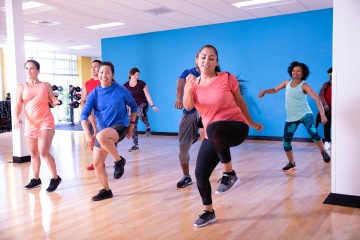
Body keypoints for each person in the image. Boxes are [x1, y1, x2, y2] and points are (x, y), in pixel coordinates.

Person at [183, 44, 263, 227]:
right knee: (200, 173)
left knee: (213, 128)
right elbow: (188, 107)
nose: (207, 61)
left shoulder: (226, 78)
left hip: (235, 127)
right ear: (197, 60)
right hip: (214, 134)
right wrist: (188, 88)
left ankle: (229, 173)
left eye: (212, 58)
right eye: (203, 57)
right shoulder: (193, 85)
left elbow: (240, 101)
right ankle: (208, 212)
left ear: (216, 62)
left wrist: (251, 123)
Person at [258, 61, 331, 172]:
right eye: (293, 70)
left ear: (303, 74)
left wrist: (322, 114)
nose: (295, 72)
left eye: (298, 71)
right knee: (286, 141)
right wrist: (265, 91)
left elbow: (317, 98)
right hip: (292, 117)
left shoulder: (304, 85)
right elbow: (274, 90)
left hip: (305, 114)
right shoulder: (287, 83)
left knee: (313, 132)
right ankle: (291, 163)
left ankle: (322, 151)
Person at [81, 61, 137, 201]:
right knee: (97, 164)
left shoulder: (120, 90)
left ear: (112, 75)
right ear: (97, 74)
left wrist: (131, 126)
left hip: (120, 126)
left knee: (100, 136)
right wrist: (88, 134)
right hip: (103, 130)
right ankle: (106, 190)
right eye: (101, 72)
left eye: (107, 72)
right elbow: (84, 115)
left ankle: (119, 161)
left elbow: (134, 106)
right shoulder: (94, 94)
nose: (104, 75)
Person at [14, 60, 62, 192]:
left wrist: (55, 101)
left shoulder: (45, 85)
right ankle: (35, 179)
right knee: (34, 154)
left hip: (46, 121)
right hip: (31, 124)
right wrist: (16, 117)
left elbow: (51, 101)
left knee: (43, 151)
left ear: (38, 70)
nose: (29, 71)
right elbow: (18, 105)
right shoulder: (21, 87)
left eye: (32, 68)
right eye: (27, 68)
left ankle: (55, 178)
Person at [174, 53, 202, 188]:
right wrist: (179, 98)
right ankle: (186, 176)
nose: (204, 60)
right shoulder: (188, 73)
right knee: (183, 146)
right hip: (190, 111)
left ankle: (225, 170)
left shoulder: (215, 74)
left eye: (209, 57)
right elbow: (180, 85)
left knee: (207, 137)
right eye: (201, 57)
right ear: (196, 60)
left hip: (207, 112)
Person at [124, 67, 158, 152]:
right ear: (131, 75)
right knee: (133, 126)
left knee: (139, 112)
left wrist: (153, 105)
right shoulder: (125, 86)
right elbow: (125, 99)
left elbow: (147, 95)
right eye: (135, 75)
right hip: (132, 107)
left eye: (138, 75)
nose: (136, 77)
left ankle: (148, 127)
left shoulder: (142, 84)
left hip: (143, 104)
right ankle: (135, 146)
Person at [80, 60, 105, 170]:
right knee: (92, 139)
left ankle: (100, 161)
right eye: (91, 67)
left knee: (102, 139)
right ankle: (97, 162)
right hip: (91, 116)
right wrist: (85, 116)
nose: (93, 69)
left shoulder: (105, 81)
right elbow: (83, 101)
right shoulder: (87, 84)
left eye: (95, 67)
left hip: (103, 116)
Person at [317, 67, 332, 149]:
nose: (331, 79)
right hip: (328, 108)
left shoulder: (341, 85)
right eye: (330, 77)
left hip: (338, 108)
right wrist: (325, 105)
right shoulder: (326, 85)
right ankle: (327, 141)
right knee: (327, 125)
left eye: (332, 77)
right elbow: (321, 95)